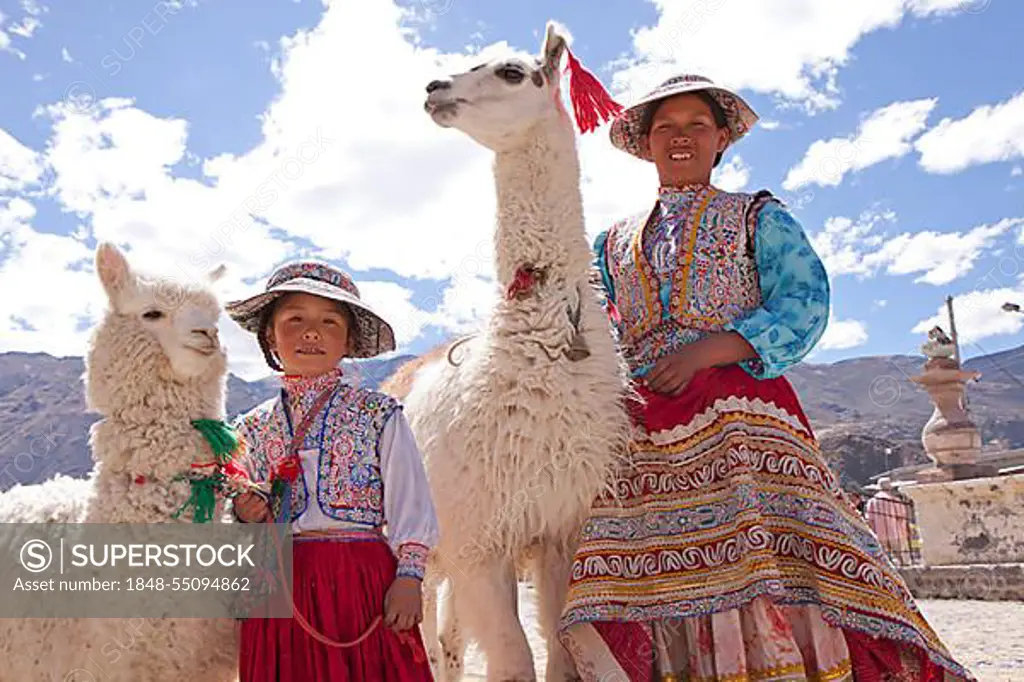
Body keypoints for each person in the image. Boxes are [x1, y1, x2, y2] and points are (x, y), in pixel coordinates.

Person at [556, 75, 973, 682]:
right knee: (644, 575)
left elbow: (804, 300)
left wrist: (710, 351)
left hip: (742, 411)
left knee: (767, 562)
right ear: (645, 143)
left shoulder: (757, 217)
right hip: (642, 430)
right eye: (664, 127)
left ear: (720, 136)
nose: (680, 137)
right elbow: (592, 326)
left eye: (696, 125)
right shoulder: (610, 243)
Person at [223, 261, 437, 682]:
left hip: (362, 579)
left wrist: (410, 577)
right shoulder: (249, 428)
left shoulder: (378, 414)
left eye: (329, 321)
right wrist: (247, 512)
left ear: (348, 339)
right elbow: (246, 515)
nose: (311, 332)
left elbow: (410, 500)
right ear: (269, 335)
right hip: (280, 585)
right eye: (294, 319)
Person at [866, 477, 914, 565]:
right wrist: (906, 531)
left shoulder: (872, 502)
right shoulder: (895, 501)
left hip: (879, 534)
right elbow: (902, 517)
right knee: (900, 556)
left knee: (885, 558)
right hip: (895, 533)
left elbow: (870, 520)